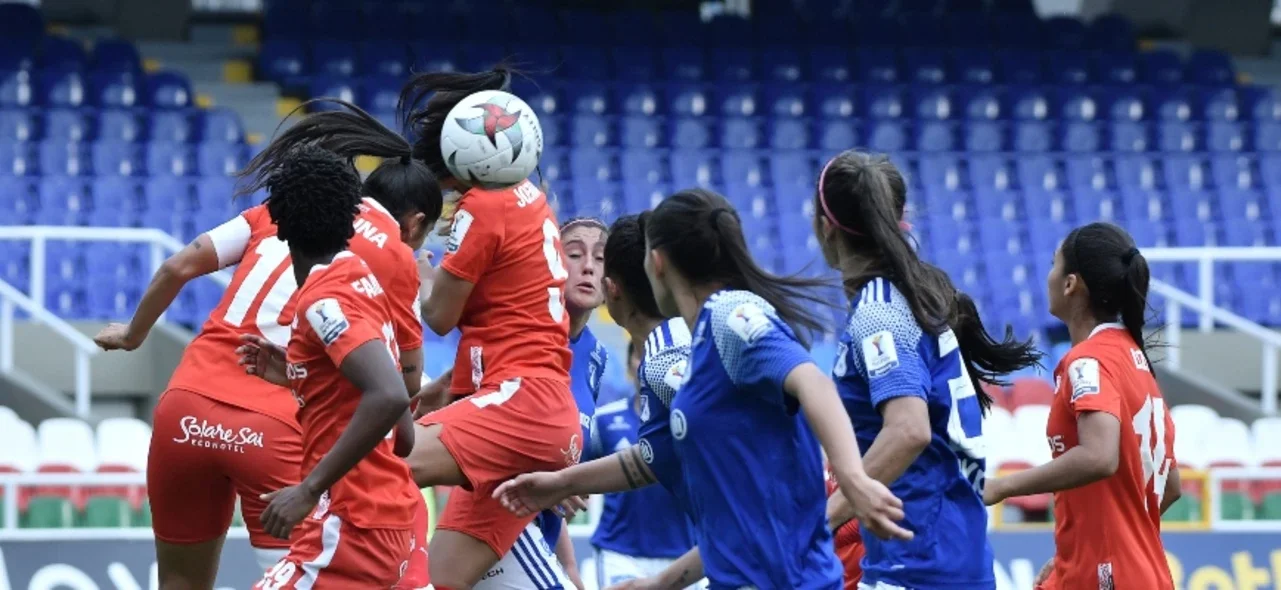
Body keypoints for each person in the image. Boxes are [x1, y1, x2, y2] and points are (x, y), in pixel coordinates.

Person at [91, 102, 441, 589]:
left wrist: (132, 335)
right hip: (275, 429)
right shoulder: (383, 259)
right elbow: (398, 389)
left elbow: (178, 267)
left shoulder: (274, 211)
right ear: (414, 223)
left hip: (186, 407)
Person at [494, 190, 911, 589]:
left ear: (655, 265)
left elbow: (812, 381)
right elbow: (653, 462)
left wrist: (853, 478)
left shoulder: (724, 317)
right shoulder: (694, 347)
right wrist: (561, 484)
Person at [812, 150, 1043, 590]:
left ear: (825, 227)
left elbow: (908, 430)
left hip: (916, 567)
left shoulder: (880, 312)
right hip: (948, 562)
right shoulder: (915, 299)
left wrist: (824, 519)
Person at [393, 66, 583, 589]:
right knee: (440, 579)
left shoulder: (483, 207)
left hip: (519, 405)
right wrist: (444, 391)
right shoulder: (530, 198)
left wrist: (413, 268)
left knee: (378, 461)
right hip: (538, 411)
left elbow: (438, 316)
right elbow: (504, 323)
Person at [230, 144, 419, 589]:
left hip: (348, 527)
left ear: (277, 223)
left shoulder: (323, 299)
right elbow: (403, 436)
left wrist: (309, 489)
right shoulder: (363, 280)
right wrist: (299, 372)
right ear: (351, 218)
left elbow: (389, 395)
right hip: (387, 523)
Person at [984, 222, 1179, 590]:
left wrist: (1001, 487)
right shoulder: (1135, 360)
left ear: (1071, 283)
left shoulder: (1089, 361)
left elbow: (1099, 456)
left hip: (1108, 575)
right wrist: (1078, 548)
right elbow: (1170, 486)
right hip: (1140, 571)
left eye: (1054, 264)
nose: (1049, 276)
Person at [475, 216, 609, 590]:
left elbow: (555, 482)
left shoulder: (596, 355)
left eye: (600, 258)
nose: (588, 267)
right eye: (574, 254)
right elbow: (476, 445)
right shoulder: (521, 336)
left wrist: (568, 564)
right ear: (550, 261)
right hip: (498, 532)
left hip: (540, 542)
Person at [587, 215, 700, 589]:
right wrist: (561, 484)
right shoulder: (676, 349)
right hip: (627, 555)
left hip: (706, 552)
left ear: (610, 289)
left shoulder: (668, 361)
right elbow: (652, 459)